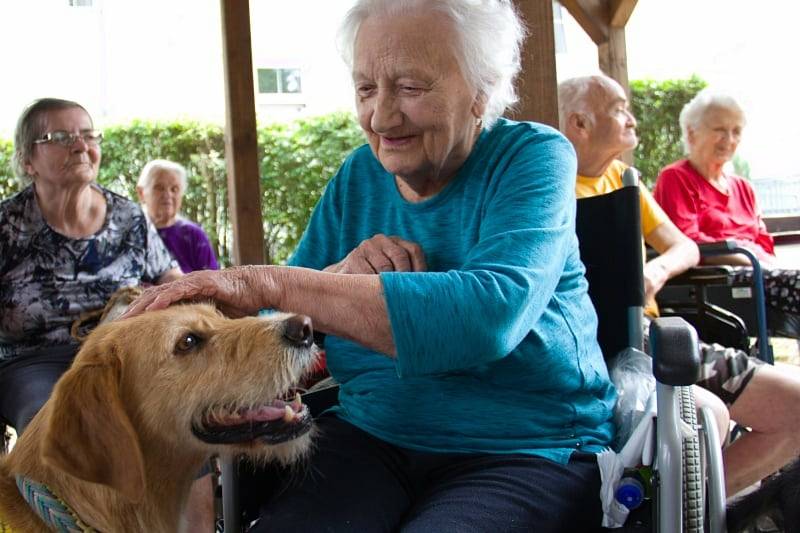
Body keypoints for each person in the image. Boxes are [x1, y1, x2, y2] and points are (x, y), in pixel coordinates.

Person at [123, 1, 616, 530]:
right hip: (373, 436)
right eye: (365, 89)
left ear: (481, 90)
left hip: (525, 447)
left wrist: (264, 279)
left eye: (410, 88)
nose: (381, 117)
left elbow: (487, 317)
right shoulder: (358, 177)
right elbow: (271, 323)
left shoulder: (533, 158)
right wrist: (339, 276)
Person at [559, 74, 800, 496]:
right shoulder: (546, 185)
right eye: (619, 109)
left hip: (657, 337)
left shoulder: (623, 178)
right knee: (706, 419)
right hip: (599, 347)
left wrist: (654, 271)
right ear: (580, 122)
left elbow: (683, 246)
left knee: (793, 407)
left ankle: (697, 508)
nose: (632, 119)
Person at [0, 99, 215, 532]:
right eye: (59, 137)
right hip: (35, 360)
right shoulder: (7, 226)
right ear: (28, 160)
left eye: (88, 135)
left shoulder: (129, 218)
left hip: (121, 353)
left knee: (180, 422)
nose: (80, 146)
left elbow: (176, 285)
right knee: (65, 424)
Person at [654, 89, 800, 338]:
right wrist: (746, 256)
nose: (729, 139)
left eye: (736, 131)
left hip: (759, 275)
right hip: (714, 282)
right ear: (691, 132)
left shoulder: (743, 187)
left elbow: (763, 242)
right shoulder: (676, 178)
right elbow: (687, 242)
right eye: (719, 130)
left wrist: (758, 258)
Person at [137, 159, 220, 273]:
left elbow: (213, 282)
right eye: (159, 188)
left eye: (174, 189)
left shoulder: (194, 235)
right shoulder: (132, 233)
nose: (167, 194)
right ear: (141, 193)